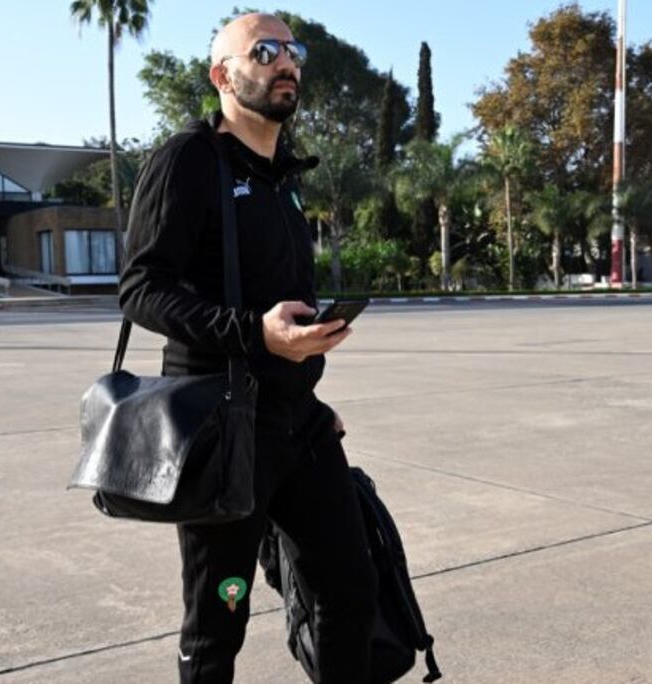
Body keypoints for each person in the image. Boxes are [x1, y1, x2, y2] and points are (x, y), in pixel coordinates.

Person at [117, 13, 377, 684]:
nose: (285, 63)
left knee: (350, 593)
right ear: (222, 75)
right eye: (264, 51)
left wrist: (308, 382)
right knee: (218, 622)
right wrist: (255, 335)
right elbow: (142, 289)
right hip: (222, 430)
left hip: (299, 426)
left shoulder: (281, 176)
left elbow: (277, 303)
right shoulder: (189, 160)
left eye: (294, 51)